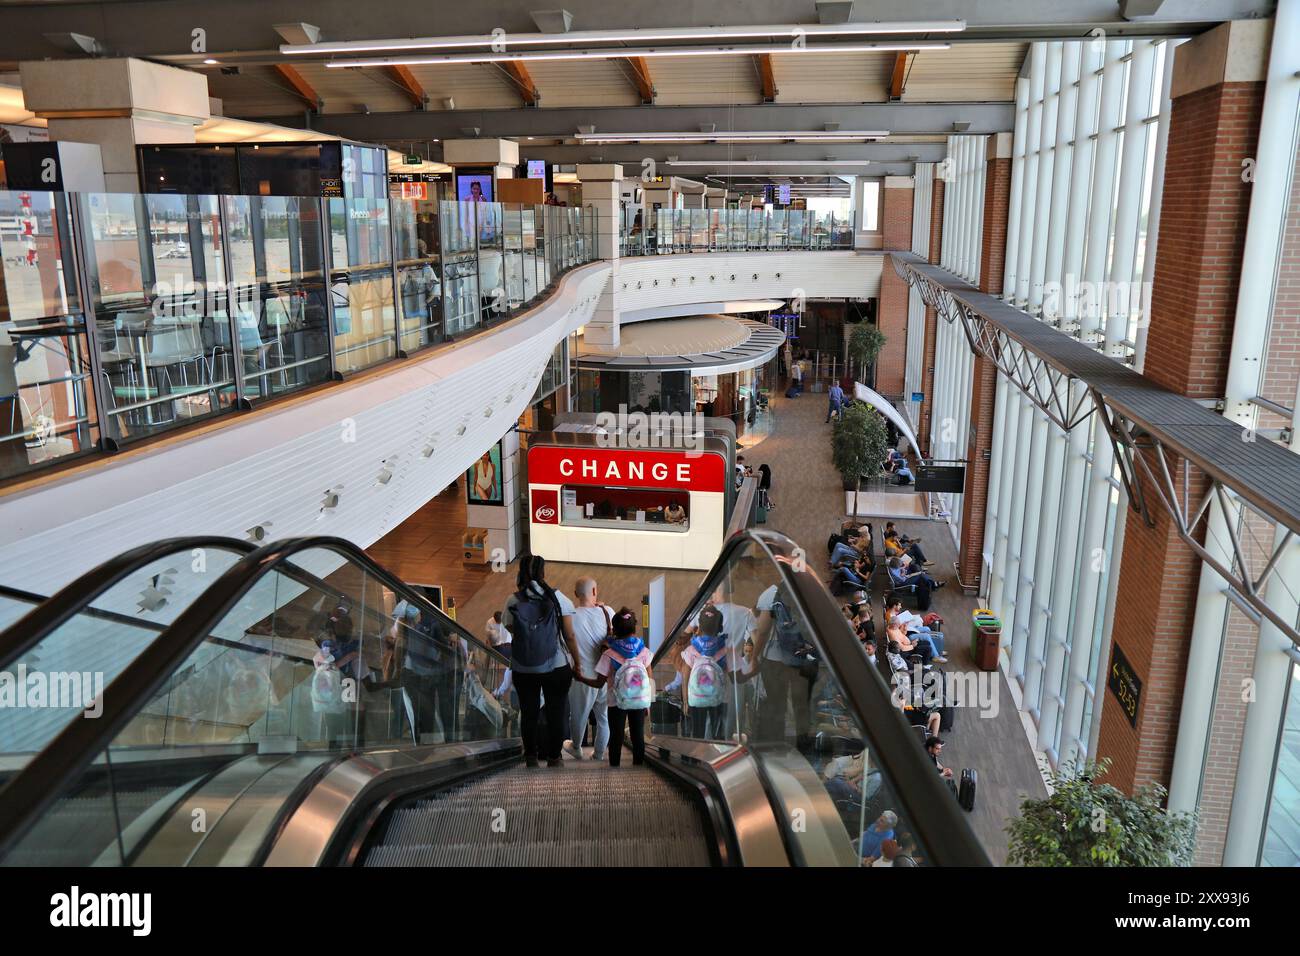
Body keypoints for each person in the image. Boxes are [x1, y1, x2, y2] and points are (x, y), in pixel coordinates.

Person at [503, 553, 587, 768]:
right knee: (556, 712)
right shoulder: (559, 599)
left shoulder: (513, 600)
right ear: (543, 572)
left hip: (524, 667)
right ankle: (554, 757)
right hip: (556, 666)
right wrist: (577, 663)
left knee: (529, 712)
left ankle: (531, 756)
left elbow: (512, 629)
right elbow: (569, 636)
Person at [751, 582, 817, 750]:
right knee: (802, 703)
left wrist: (754, 656)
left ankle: (776, 745)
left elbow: (763, 630)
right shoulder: (809, 589)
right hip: (802, 658)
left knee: (776, 704)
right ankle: (803, 743)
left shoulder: (770, 594)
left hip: (774, 661)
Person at [585, 607, 654, 767]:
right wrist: (648, 702)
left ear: (614, 630)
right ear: (634, 627)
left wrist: (580, 678)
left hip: (616, 701)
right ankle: (638, 766)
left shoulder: (609, 654)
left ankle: (614, 767)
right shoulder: (644, 652)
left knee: (616, 735)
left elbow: (599, 683)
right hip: (639, 699)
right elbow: (650, 678)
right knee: (638, 735)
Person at [680, 604, 753, 740]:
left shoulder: (692, 649)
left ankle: (695, 758)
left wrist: (685, 701)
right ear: (720, 627)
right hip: (719, 700)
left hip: (696, 698)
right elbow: (737, 676)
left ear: (699, 627)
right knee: (718, 734)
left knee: (697, 733)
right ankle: (715, 757)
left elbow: (685, 675)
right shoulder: (726, 650)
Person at [564, 577, 612, 762]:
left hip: (582, 676)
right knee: (603, 718)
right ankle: (599, 754)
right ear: (594, 591)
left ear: (576, 594)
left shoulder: (570, 616)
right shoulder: (607, 611)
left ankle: (576, 747)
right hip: (606, 675)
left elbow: (565, 641)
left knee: (578, 715)